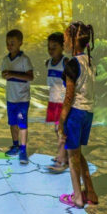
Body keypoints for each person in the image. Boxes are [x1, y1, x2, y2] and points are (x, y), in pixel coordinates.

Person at [58, 21, 99, 208]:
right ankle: (89, 191)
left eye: (66, 38)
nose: (64, 41)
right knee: (78, 153)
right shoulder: (90, 62)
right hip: (87, 114)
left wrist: (61, 121)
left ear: (74, 40)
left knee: (72, 156)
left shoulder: (73, 64)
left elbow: (69, 97)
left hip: (75, 113)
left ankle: (77, 198)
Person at [2, 29, 34, 165]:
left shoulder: (24, 59)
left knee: (22, 124)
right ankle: (15, 145)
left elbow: (30, 76)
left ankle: (23, 149)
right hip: (11, 99)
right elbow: (3, 74)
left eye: (12, 43)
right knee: (12, 123)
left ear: (20, 43)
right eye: (8, 43)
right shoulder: (5, 59)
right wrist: (6, 74)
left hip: (22, 99)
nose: (9, 46)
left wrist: (13, 74)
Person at [44, 32, 70, 173]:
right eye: (49, 47)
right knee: (57, 131)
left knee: (60, 132)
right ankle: (63, 156)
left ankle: (61, 161)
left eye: (54, 47)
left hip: (63, 103)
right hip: (53, 102)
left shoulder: (66, 63)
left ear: (62, 47)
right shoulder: (48, 63)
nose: (51, 50)